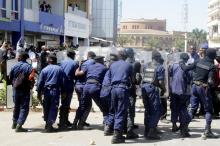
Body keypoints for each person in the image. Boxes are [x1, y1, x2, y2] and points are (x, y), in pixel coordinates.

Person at [190, 48, 218, 138]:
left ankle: (184, 127)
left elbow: (187, 68)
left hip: (194, 87)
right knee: (208, 110)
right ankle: (207, 131)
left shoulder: (198, 61)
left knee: (193, 108)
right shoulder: (212, 66)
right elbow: (210, 81)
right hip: (203, 88)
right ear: (213, 56)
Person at [75, 56, 107, 130]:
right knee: (103, 107)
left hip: (86, 87)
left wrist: (78, 66)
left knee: (84, 106)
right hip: (95, 87)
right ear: (101, 60)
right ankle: (107, 125)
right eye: (103, 60)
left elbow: (78, 73)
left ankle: (79, 124)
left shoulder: (89, 67)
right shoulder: (104, 68)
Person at [109, 50, 133, 144]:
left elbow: (110, 78)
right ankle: (117, 136)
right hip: (122, 89)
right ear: (126, 57)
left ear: (118, 56)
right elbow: (133, 79)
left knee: (115, 111)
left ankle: (117, 132)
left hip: (113, 89)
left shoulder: (112, 65)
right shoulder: (128, 65)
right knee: (120, 111)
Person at [141, 50, 166, 140]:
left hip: (144, 88)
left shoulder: (146, 65)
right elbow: (160, 81)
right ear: (158, 58)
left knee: (148, 110)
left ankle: (147, 130)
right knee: (156, 110)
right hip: (152, 89)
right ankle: (151, 131)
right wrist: (164, 89)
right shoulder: (160, 67)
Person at [169, 53, 194, 137]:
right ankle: (183, 129)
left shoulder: (173, 66)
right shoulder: (188, 68)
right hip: (183, 92)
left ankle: (174, 125)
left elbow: (170, 75)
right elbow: (190, 80)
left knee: (174, 108)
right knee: (182, 109)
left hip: (173, 90)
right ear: (187, 60)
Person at [37, 54, 64, 132]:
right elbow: (63, 82)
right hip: (55, 91)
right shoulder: (59, 69)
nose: (46, 60)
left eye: (47, 58)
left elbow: (40, 82)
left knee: (46, 107)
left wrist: (39, 93)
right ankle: (49, 125)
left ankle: (47, 124)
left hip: (46, 91)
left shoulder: (44, 70)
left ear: (50, 60)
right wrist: (64, 92)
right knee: (53, 108)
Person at [72, 51, 96, 129]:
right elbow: (79, 74)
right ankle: (80, 124)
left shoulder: (84, 63)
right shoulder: (91, 62)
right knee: (87, 106)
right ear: (93, 56)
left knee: (82, 105)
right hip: (83, 87)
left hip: (78, 86)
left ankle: (76, 123)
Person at [9, 50, 32, 132]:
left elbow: (10, 77)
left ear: (20, 57)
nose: (17, 57)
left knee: (16, 106)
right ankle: (19, 125)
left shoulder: (14, 66)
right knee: (24, 107)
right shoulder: (29, 67)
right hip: (25, 90)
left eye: (18, 56)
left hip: (16, 89)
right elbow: (32, 78)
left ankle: (14, 123)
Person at [58, 51, 79, 130]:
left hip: (61, 85)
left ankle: (64, 121)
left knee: (64, 103)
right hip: (68, 85)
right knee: (66, 104)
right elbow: (76, 75)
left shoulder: (62, 62)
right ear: (73, 55)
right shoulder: (74, 63)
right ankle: (62, 123)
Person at [124, 48, 140, 139]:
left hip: (121, 89)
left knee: (123, 109)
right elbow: (136, 80)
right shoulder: (135, 64)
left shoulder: (121, 63)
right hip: (130, 89)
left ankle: (125, 127)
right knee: (130, 110)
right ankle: (129, 130)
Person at [101, 54, 118, 136]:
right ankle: (108, 128)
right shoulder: (115, 68)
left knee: (105, 111)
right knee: (112, 111)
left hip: (103, 92)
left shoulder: (108, 69)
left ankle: (106, 125)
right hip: (109, 92)